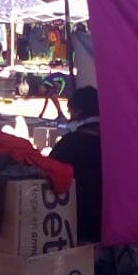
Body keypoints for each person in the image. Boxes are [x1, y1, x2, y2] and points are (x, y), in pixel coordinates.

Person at [49, 86, 102, 244]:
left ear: (77, 111)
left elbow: (49, 174)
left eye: (70, 112)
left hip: (76, 226)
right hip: (112, 223)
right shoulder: (114, 143)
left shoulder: (70, 144)